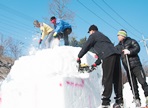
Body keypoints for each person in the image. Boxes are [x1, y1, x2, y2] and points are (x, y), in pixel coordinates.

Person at [77, 25, 123, 108]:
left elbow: (86, 46)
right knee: (117, 79)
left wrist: (79, 56)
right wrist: (95, 64)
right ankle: (119, 101)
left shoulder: (93, 35)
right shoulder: (103, 37)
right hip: (116, 55)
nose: (89, 34)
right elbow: (105, 51)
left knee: (107, 78)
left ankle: (105, 102)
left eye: (89, 32)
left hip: (108, 56)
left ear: (92, 30)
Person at [116, 29, 148, 107]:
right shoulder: (118, 46)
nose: (117, 37)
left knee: (142, 81)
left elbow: (137, 48)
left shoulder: (130, 41)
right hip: (128, 68)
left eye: (119, 35)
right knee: (133, 85)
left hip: (136, 65)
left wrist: (129, 51)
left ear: (123, 35)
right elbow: (112, 51)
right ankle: (137, 99)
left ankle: (147, 97)